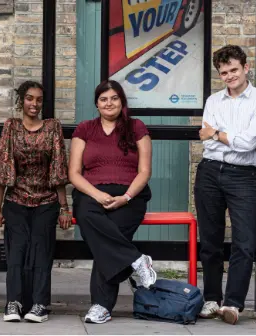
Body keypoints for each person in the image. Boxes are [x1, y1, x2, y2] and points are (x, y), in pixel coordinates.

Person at [195, 45, 256, 325]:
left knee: (244, 241)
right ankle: (211, 299)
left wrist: (217, 132)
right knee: (211, 241)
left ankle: (233, 304)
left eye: (234, 70)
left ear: (246, 68)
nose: (229, 76)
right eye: (223, 72)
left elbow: (250, 142)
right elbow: (211, 139)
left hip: (242, 176)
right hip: (209, 172)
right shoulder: (213, 101)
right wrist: (224, 136)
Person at [69, 79, 157, 324]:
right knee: (89, 217)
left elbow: (144, 171)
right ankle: (136, 260)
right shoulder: (85, 129)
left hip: (130, 195)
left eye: (114, 98)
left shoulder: (137, 127)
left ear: (122, 101)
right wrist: (96, 194)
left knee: (107, 237)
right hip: (91, 192)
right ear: (97, 104)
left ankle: (101, 306)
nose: (109, 103)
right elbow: (74, 173)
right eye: (103, 99)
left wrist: (126, 197)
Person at [0, 81, 71, 323]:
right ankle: (13, 303)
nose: (34, 104)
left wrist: (64, 207)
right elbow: (3, 168)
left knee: (41, 251)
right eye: (29, 98)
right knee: (16, 251)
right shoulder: (11, 127)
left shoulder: (52, 127)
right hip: (16, 199)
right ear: (21, 101)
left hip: (46, 200)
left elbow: (58, 167)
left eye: (38, 99)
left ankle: (39, 304)